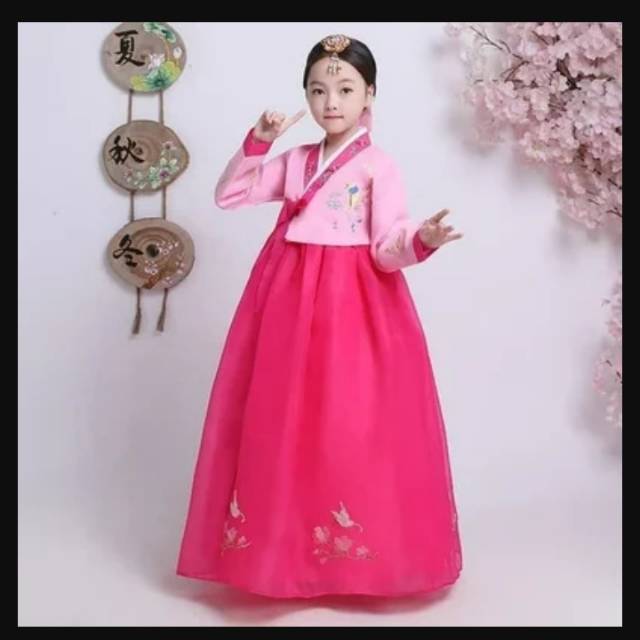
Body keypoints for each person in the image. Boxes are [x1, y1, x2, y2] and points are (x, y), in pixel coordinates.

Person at [177, 34, 463, 598]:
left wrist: (422, 239)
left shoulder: (378, 166)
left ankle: (353, 559)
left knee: (348, 418)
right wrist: (259, 141)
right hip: (286, 290)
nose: (330, 102)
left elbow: (386, 247)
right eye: (318, 90)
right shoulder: (296, 161)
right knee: (283, 414)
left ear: (369, 94)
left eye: (345, 89)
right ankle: (283, 555)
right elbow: (230, 195)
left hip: (352, 297)